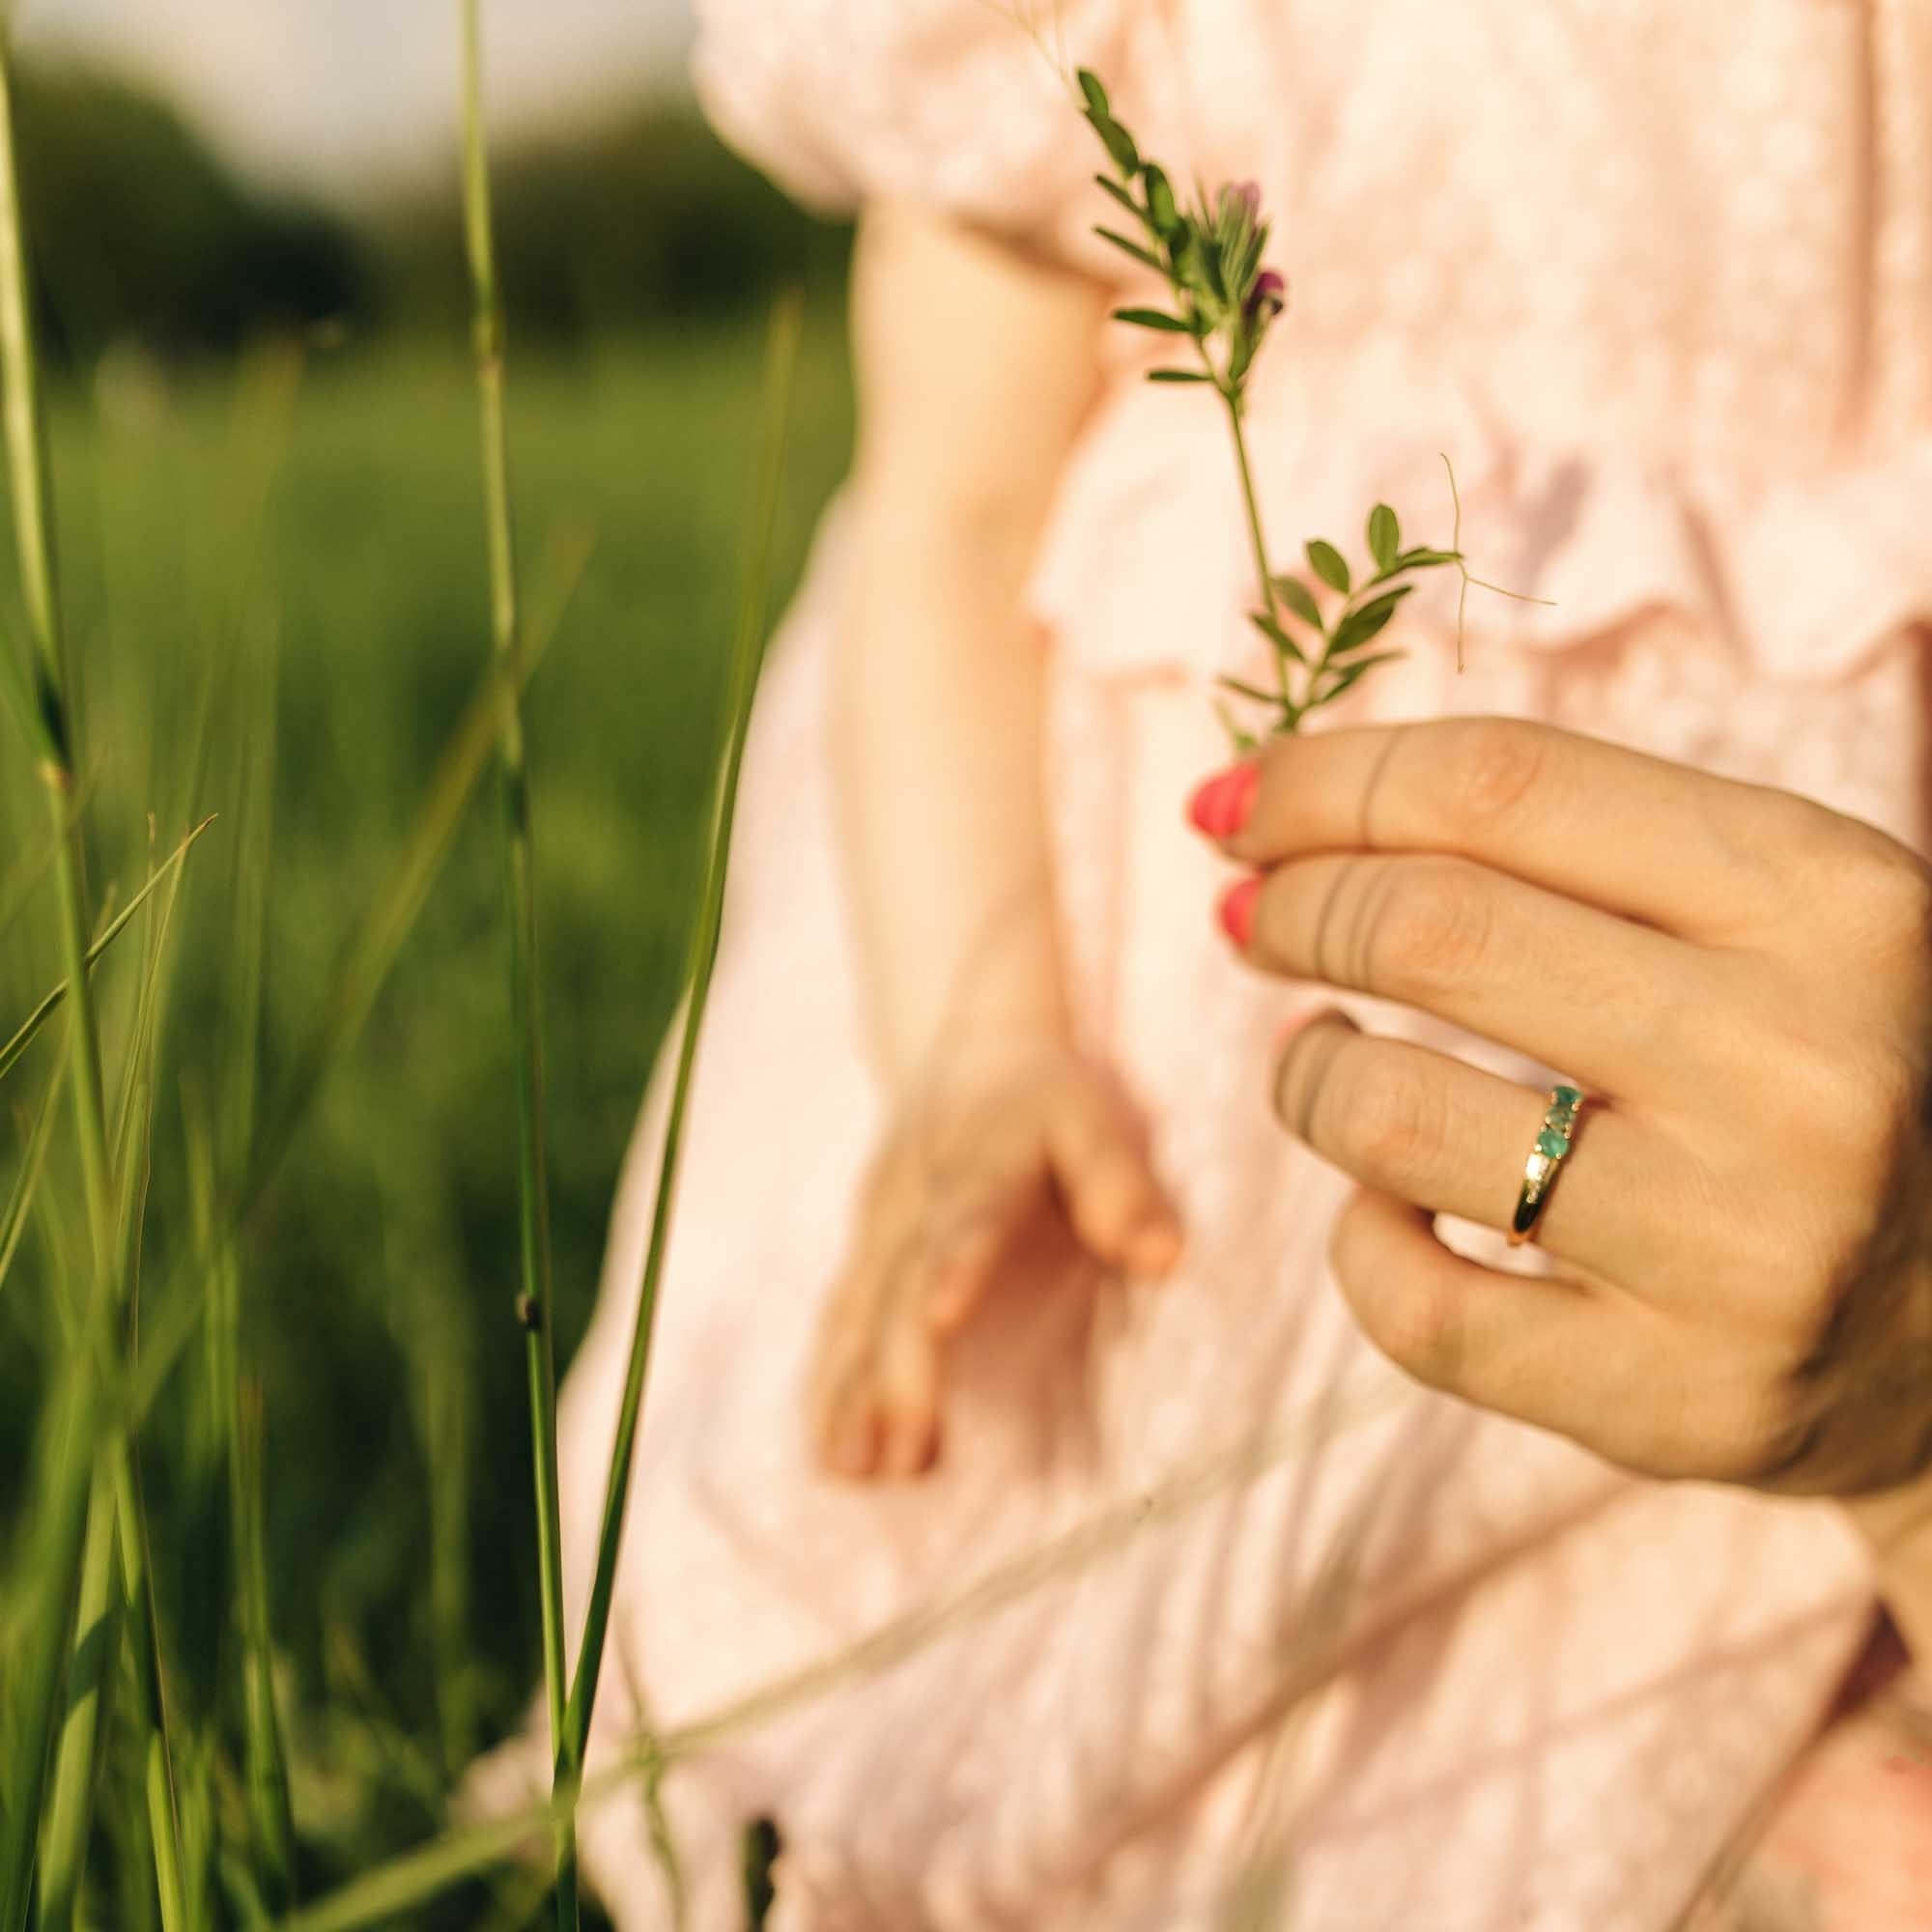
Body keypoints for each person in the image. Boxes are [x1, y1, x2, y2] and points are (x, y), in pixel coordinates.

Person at [496, 3, 1932, 1924]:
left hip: (1721, 1163)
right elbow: (941, 516)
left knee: (1633, 1685)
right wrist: (975, 1042)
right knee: (1018, 1647)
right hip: (1152, 1119)